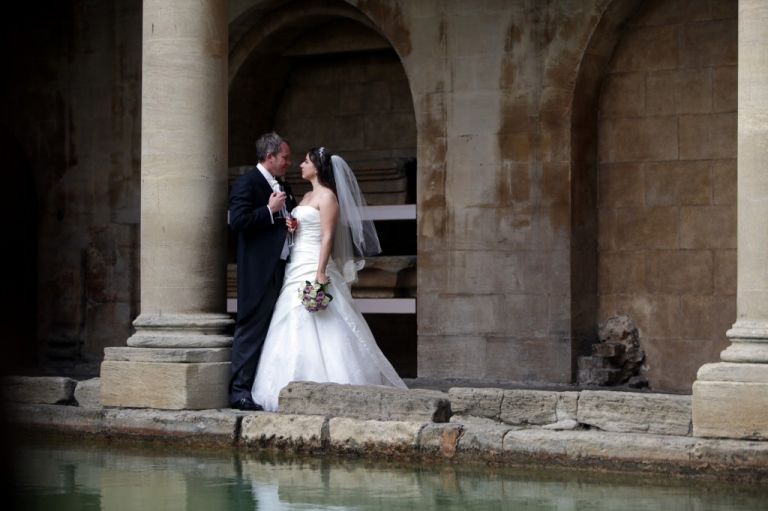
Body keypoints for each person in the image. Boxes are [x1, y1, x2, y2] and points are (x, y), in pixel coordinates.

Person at [251, 147, 407, 411]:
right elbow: (303, 227)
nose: (300, 165)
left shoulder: (328, 197)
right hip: (296, 262)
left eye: (306, 161)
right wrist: (293, 226)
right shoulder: (307, 196)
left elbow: (327, 236)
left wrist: (321, 271)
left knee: (326, 320)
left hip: (313, 262)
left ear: (318, 168)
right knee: (290, 318)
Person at [228, 132, 297, 411]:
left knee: (272, 330)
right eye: (285, 158)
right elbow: (238, 221)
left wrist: (289, 222)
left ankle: (259, 387)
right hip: (257, 271)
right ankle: (238, 392)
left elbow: (285, 217)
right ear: (270, 157)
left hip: (282, 268)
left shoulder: (284, 184)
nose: (288, 163)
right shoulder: (247, 182)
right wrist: (269, 210)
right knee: (251, 328)